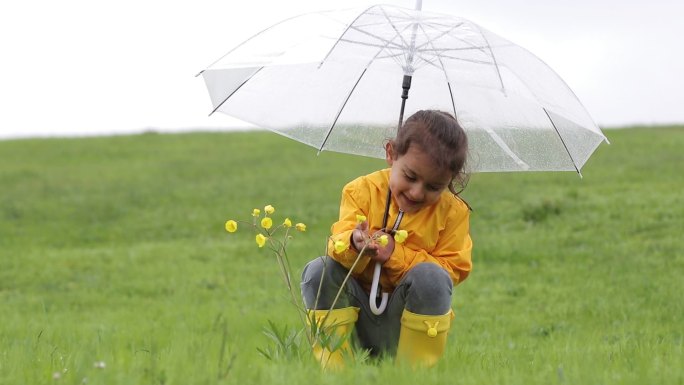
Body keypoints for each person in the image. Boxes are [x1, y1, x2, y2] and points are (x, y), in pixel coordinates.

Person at [300, 110, 473, 369]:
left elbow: (452, 270)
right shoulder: (361, 191)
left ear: (450, 180)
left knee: (433, 277)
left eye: (434, 187)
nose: (416, 192)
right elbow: (337, 243)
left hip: (405, 322)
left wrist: (395, 255)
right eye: (410, 176)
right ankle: (336, 371)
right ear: (391, 153)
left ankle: (413, 374)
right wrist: (354, 244)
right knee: (319, 271)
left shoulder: (453, 211)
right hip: (356, 317)